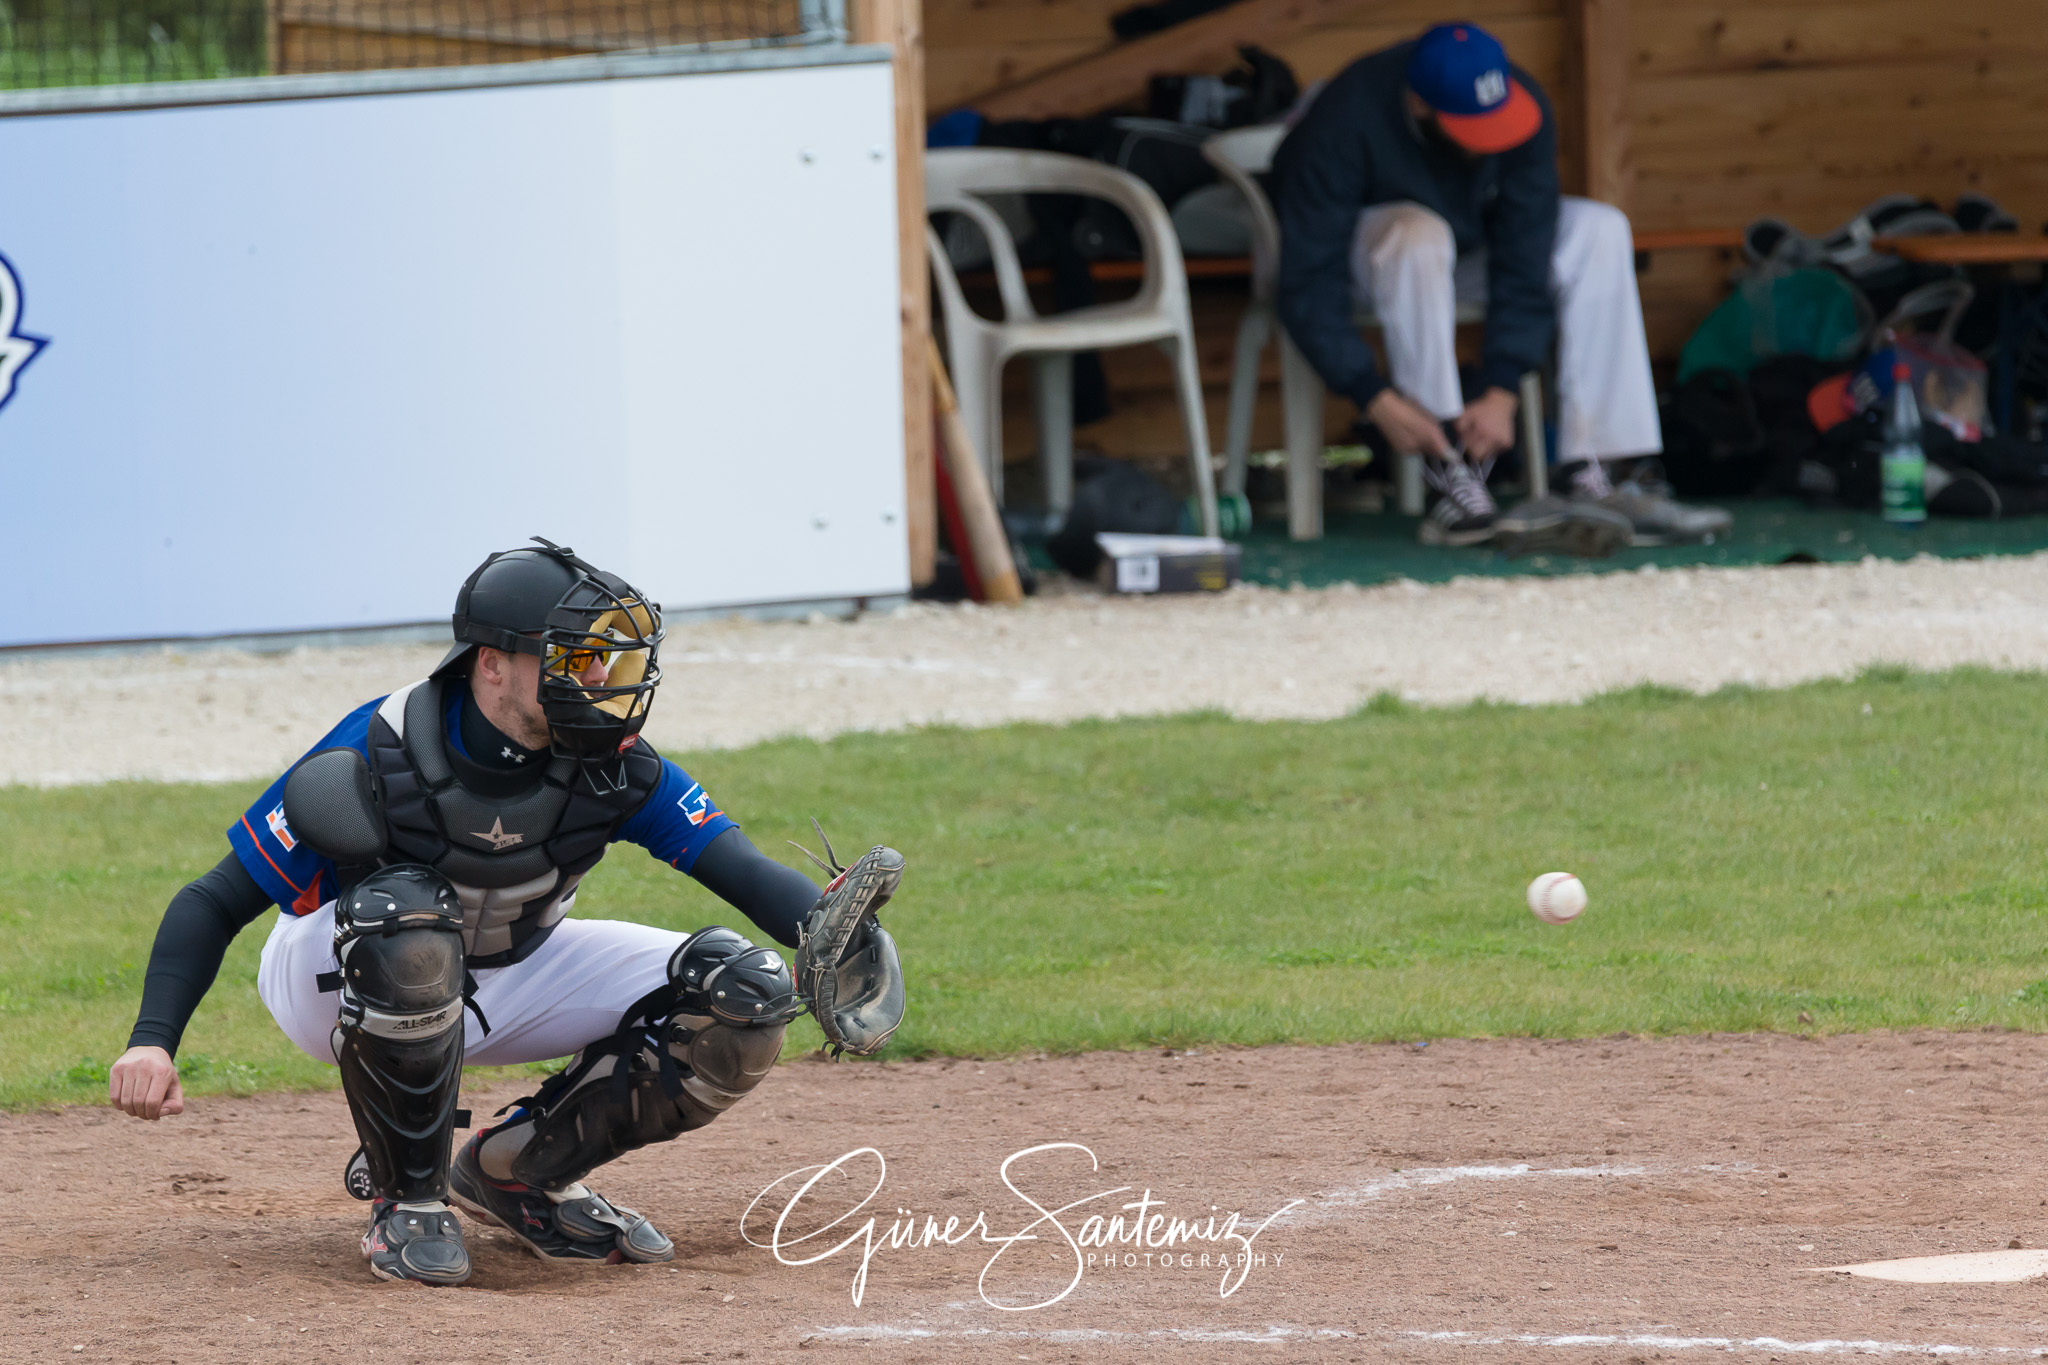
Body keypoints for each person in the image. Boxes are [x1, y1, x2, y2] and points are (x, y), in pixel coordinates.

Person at [105, 539, 906, 1286]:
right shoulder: (375, 749)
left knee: (747, 991)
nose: (600, 679)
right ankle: (405, 1201)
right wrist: (153, 1041)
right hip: (333, 976)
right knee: (410, 919)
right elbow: (213, 898)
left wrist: (820, 938)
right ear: (493, 664)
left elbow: (741, 869)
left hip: (512, 969)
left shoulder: (614, 764)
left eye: (607, 658)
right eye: (576, 658)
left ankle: (517, 1169)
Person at [1272, 22, 1731, 549]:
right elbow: (1306, 280)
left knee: (1601, 228)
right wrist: (1372, 397)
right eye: (1472, 125)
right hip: (1358, 263)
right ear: (1420, 105)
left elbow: (1525, 248)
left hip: (1467, 249)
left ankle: (1602, 470)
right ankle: (1448, 468)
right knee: (1417, 234)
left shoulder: (1521, 103)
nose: (1493, 136)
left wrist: (1501, 391)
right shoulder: (1347, 117)